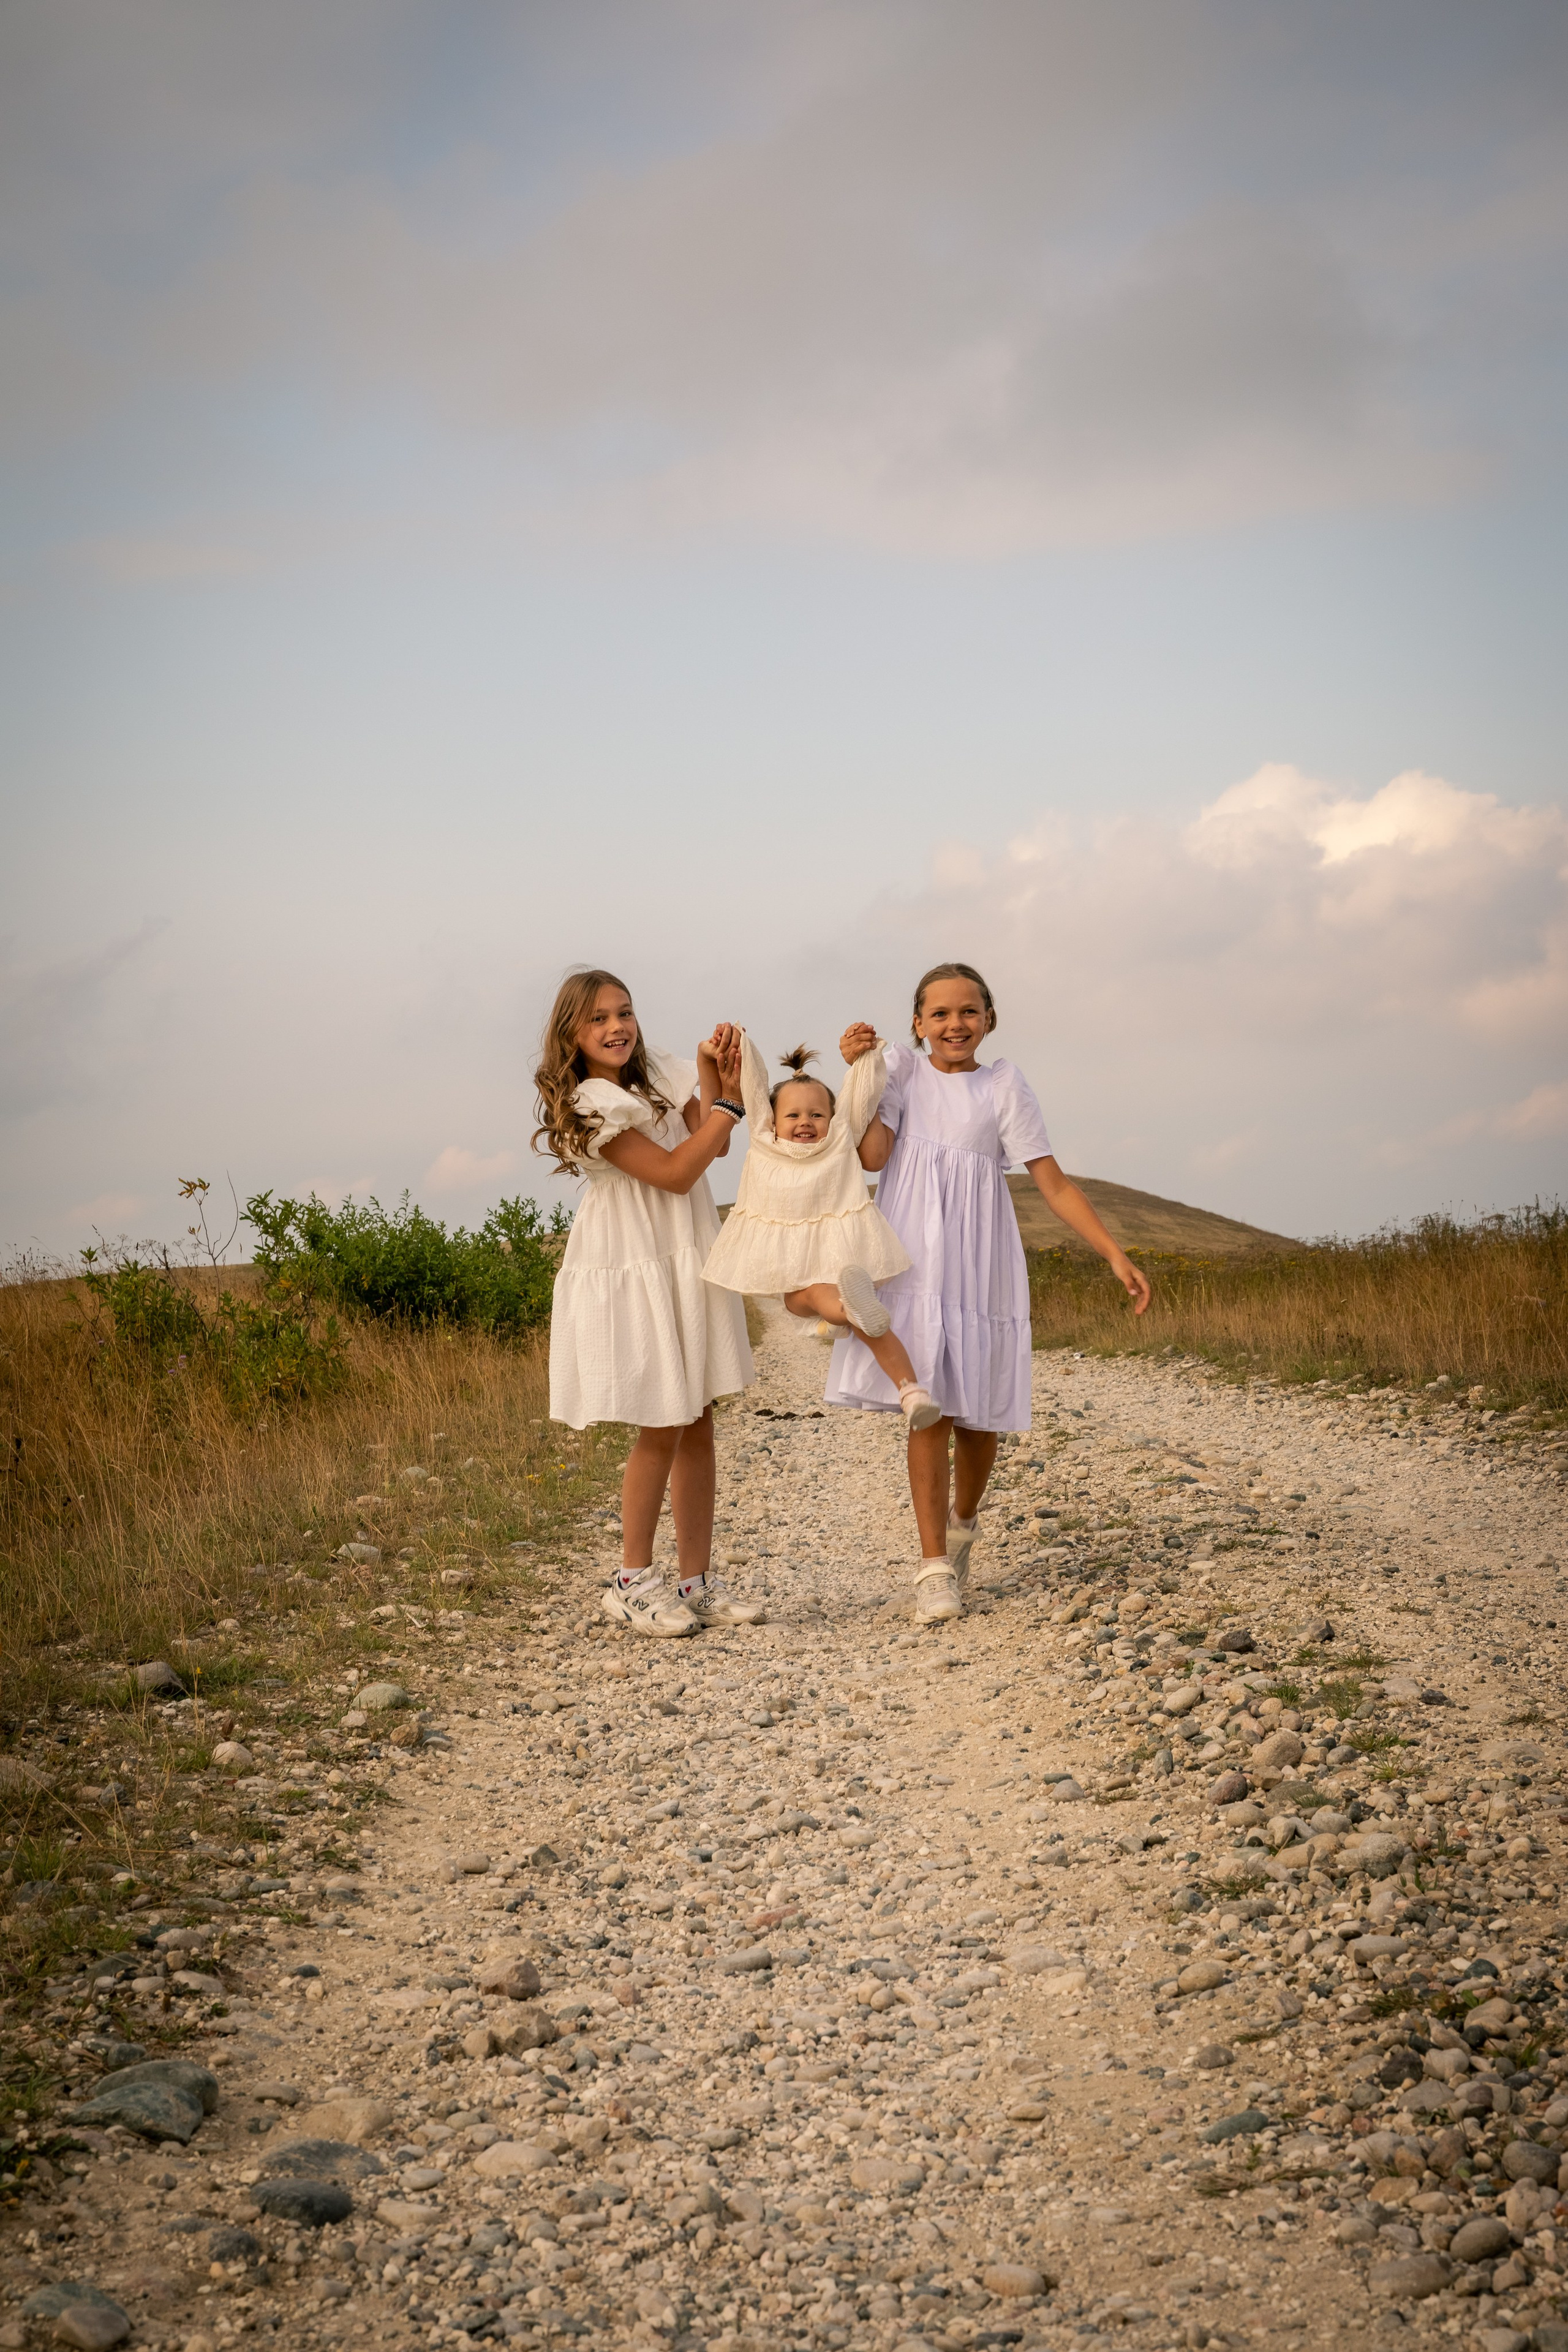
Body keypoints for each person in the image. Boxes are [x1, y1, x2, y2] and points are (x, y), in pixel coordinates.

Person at [828, 961, 1152, 1623]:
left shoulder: (1002, 1084)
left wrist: (1113, 1252)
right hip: (913, 1258)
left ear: (989, 1020)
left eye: (969, 1011)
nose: (955, 1024)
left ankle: (961, 1527)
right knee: (929, 1407)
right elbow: (870, 1156)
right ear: (917, 1024)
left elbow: (1051, 1181)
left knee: (978, 1422)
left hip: (981, 1262)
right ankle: (932, 1568)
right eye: (940, 1014)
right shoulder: (903, 1071)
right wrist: (858, 1074)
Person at [533, 967, 761, 1638]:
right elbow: (675, 1171)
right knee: (661, 1418)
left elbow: (700, 1138)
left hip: (680, 1248)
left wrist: (710, 1072)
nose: (617, 1027)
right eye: (599, 1018)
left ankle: (695, 1582)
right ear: (571, 1034)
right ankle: (631, 1580)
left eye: (624, 1012)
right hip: (635, 1256)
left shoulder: (650, 1082)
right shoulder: (591, 1102)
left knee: (697, 1417)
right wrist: (726, 1112)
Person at [701, 1035, 942, 1430]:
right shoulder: (763, 1139)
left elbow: (859, 1095)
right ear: (772, 1120)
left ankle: (862, 1335)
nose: (805, 1123)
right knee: (850, 1314)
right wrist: (741, 1045)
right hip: (809, 1275)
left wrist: (864, 1058)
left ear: (833, 1119)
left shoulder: (841, 1137)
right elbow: (755, 1087)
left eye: (817, 1115)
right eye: (793, 1116)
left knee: (839, 1309)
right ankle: (908, 1388)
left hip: (838, 1265)